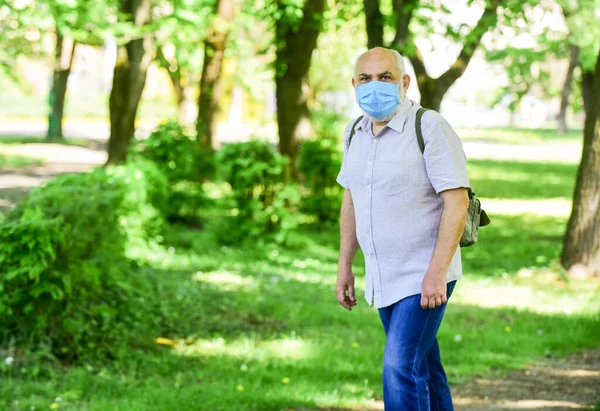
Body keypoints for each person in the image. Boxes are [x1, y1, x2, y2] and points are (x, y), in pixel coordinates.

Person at [335, 47, 470, 410]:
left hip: (424, 273)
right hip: (383, 274)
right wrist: (345, 266)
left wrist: (436, 274)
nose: (374, 86)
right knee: (424, 364)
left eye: (386, 77)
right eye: (365, 78)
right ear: (354, 84)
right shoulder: (354, 132)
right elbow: (352, 200)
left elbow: (457, 203)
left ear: (404, 83)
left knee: (399, 366)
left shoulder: (429, 127)